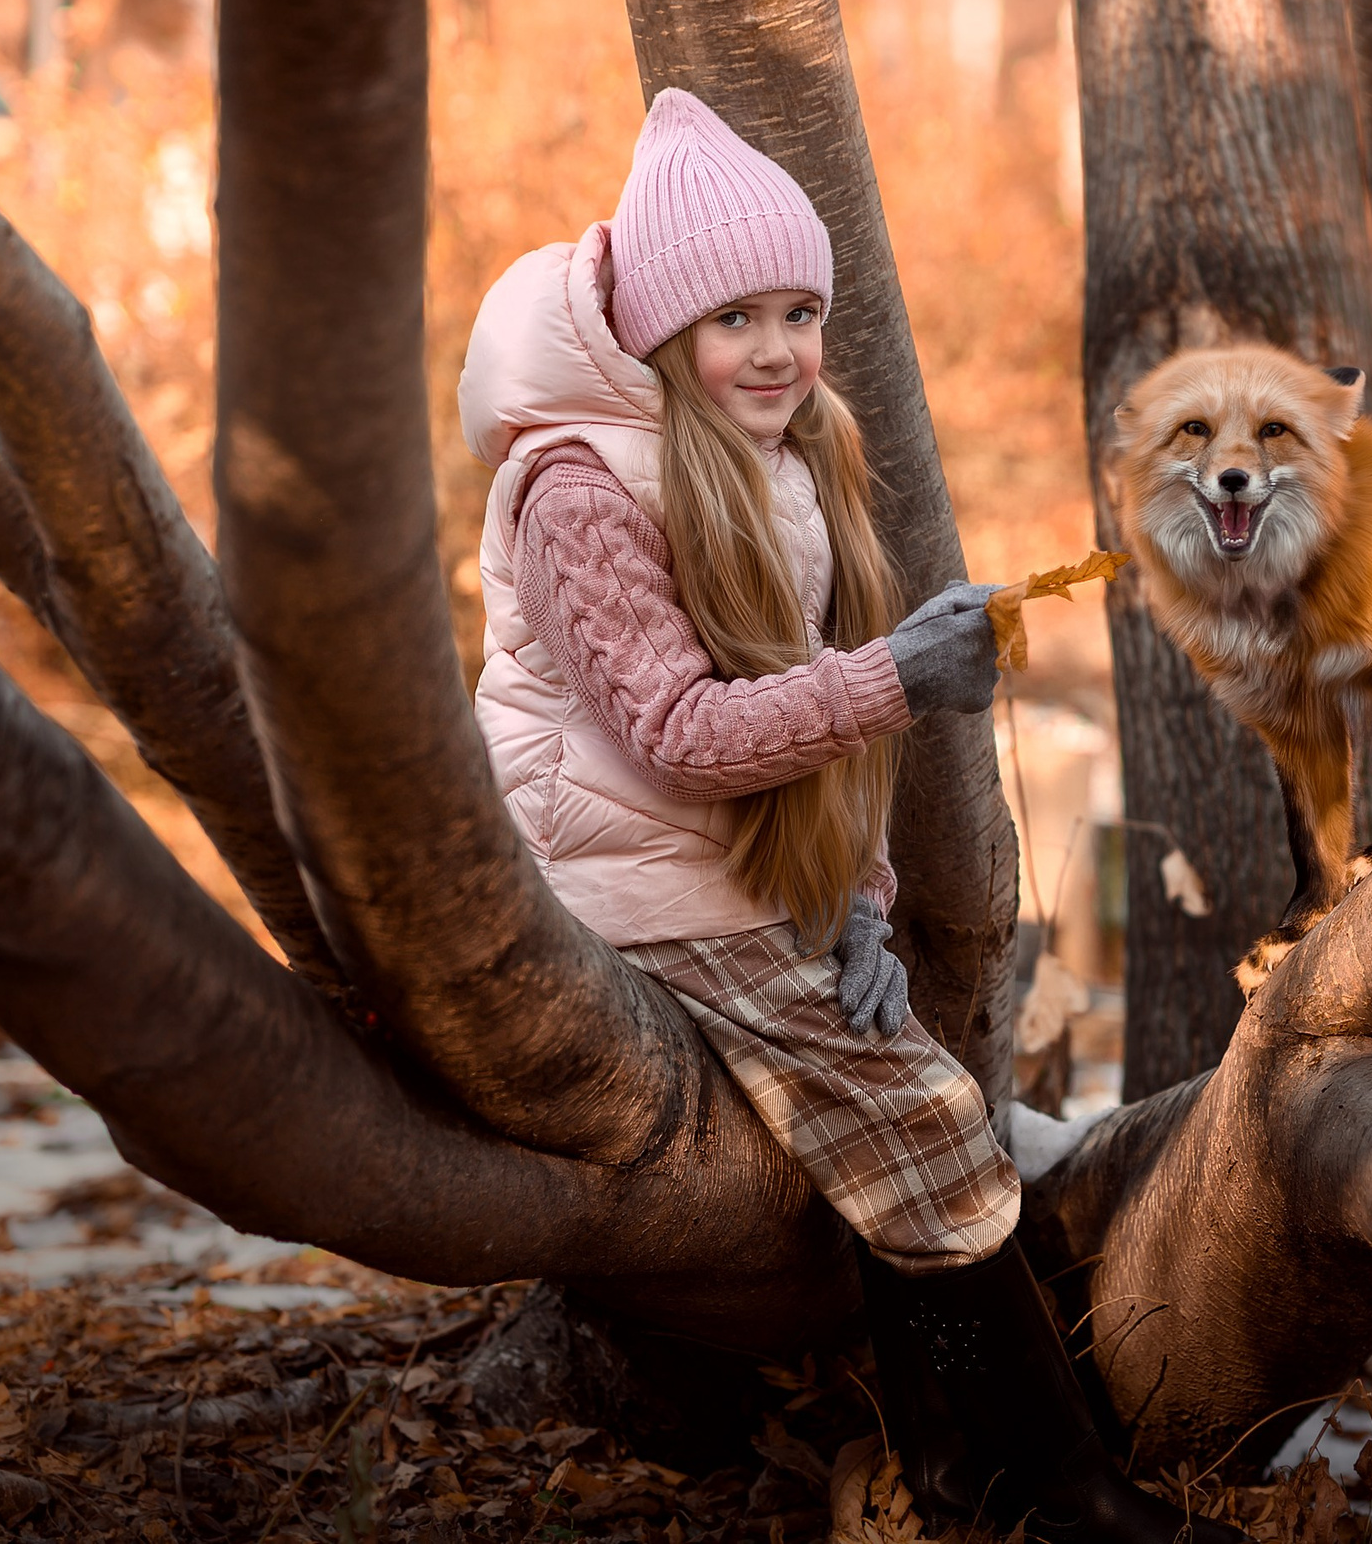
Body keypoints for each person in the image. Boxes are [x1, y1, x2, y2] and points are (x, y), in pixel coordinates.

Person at [458, 88, 1235, 1544]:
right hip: (616, 870)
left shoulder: (792, 453)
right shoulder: (576, 489)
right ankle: (1072, 1495)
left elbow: (821, 729)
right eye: (734, 318)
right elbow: (682, 734)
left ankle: (948, 1474)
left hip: (729, 860)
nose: (776, 349)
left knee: (903, 1099)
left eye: (799, 313)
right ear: (662, 330)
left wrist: (861, 907)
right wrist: (897, 677)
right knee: (923, 1116)